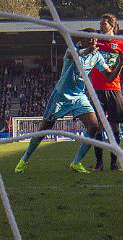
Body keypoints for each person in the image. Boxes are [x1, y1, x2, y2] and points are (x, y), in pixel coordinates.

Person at [14, 33, 113, 174]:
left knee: (94, 127)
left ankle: (76, 162)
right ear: (81, 41)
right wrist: (87, 51)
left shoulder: (96, 56)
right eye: (90, 40)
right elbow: (75, 54)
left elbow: (109, 76)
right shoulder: (71, 50)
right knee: (44, 129)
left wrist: (121, 63)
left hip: (79, 96)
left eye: (95, 41)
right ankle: (24, 159)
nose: (93, 43)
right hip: (60, 96)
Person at [88, 14, 123, 171]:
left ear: (112, 25)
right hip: (96, 88)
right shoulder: (96, 43)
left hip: (114, 89)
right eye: (100, 23)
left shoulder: (122, 45)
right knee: (98, 126)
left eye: (104, 23)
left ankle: (114, 162)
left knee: (114, 126)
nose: (102, 26)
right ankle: (99, 163)